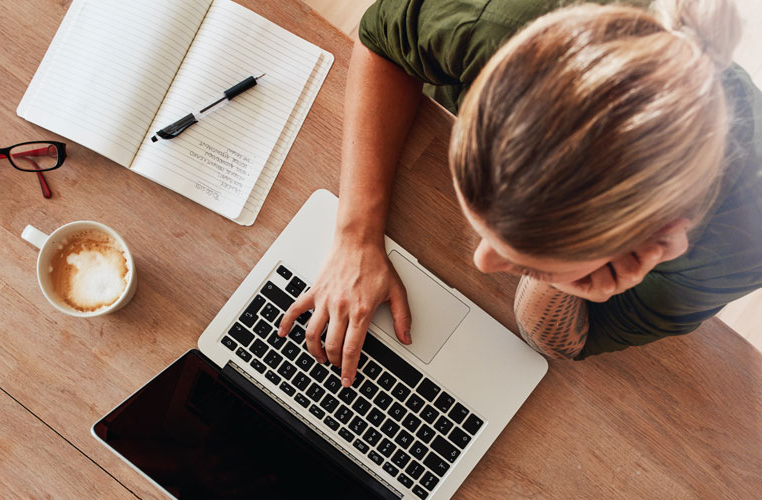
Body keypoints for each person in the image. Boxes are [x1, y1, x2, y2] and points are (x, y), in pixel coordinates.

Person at [277, 0, 762, 388]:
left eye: (532, 263)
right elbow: (383, 41)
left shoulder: (739, 250)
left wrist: (561, 282)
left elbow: (562, 342)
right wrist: (356, 236)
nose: (483, 261)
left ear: (660, 242)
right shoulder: (501, 21)